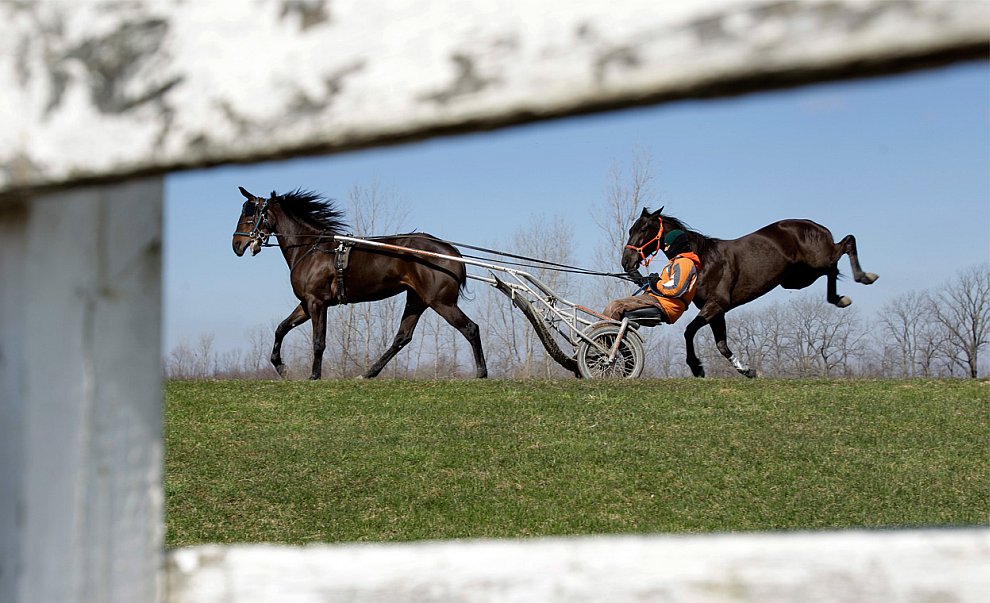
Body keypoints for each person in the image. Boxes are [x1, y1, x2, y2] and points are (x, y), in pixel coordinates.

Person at [604, 229, 701, 323]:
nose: (666, 249)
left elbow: (675, 289)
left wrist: (656, 282)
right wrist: (639, 278)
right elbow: (663, 288)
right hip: (661, 300)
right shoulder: (677, 262)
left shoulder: (684, 263)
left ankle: (602, 339)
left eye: (668, 246)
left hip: (666, 304)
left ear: (677, 244)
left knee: (614, 307)